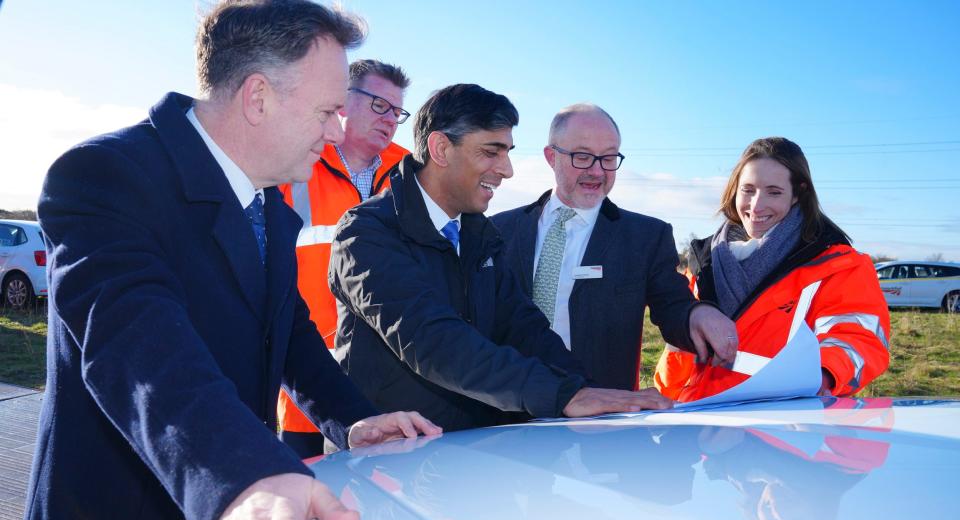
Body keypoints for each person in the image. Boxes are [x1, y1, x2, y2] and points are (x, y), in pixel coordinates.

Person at [12, 2, 440, 520]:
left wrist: (353, 418)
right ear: (258, 97)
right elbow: (136, 344)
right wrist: (245, 472)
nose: (337, 130)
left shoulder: (268, 202)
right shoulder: (105, 175)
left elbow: (288, 332)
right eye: (327, 111)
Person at [328, 84, 699, 433]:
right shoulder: (366, 233)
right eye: (491, 152)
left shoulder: (479, 235)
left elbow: (523, 326)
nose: (507, 170)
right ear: (440, 149)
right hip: (389, 461)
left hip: (471, 455)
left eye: (507, 152)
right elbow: (432, 340)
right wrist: (563, 395)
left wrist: (585, 390)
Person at [492, 103, 737, 390]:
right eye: (582, 157)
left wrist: (697, 315)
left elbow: (673, 305)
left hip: (601, 418)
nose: (597, 171)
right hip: (505, 415)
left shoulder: (645, 237)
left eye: (608, 158)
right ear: (551, 156)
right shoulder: (497, 231)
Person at [654, 137, 890, 401]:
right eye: (748, 190)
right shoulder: (703, 262)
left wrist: (822, 377)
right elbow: (679, 349)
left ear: (798, 194)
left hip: (780, 423)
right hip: (696, 419)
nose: (756, 205)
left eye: (773, 192)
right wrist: (668, 397)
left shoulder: (838, 265)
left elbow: (858, 338)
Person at [278, 59, 412, 458]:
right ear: (341, 102)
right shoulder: (292, 166)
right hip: (308, 390)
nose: (389, 119)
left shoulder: (411, 174)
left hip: (391, 389)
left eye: (397, 111)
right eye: (378, 105)